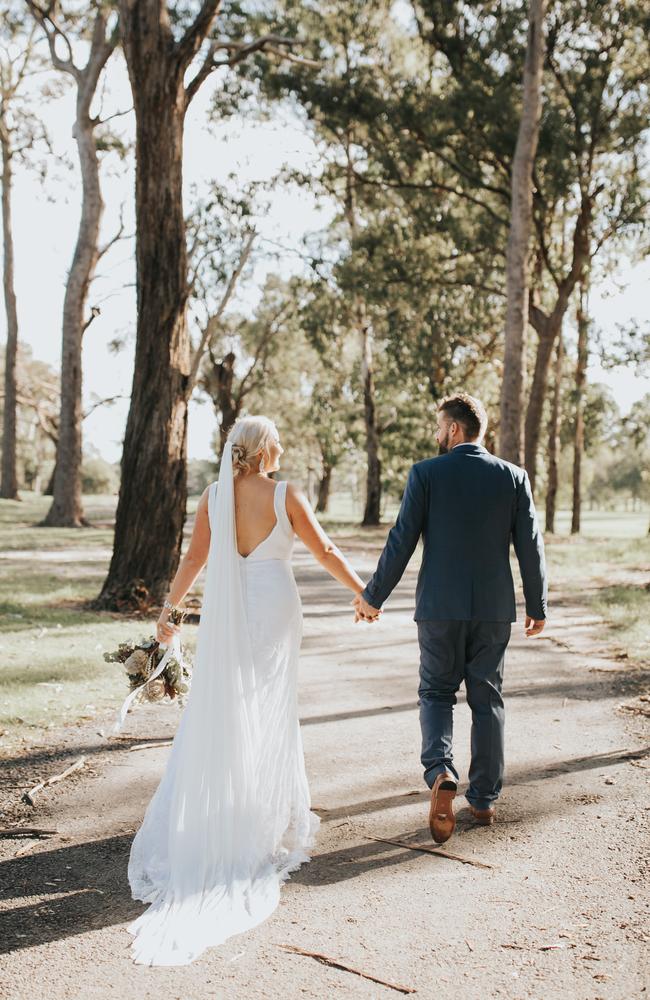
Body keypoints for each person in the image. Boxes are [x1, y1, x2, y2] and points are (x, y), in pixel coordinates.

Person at [126, 415, 366, 966]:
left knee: (228, 708)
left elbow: (194, 559)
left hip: (229, 615)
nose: (282, 447)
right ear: (261, 451)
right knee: (269, 710)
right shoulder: (284, 495)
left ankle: (228, 812)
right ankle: (255, 815)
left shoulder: (214, 496)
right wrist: (366, 592)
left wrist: (170, 613)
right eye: (277, 440)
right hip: (275, 609)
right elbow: (325, 550)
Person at [353, 392, 547, 845]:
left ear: (454, 429)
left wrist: (372, 596)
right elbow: (530, 546)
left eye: (440, 427)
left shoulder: (426, 473)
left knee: (437, 693)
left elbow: (402, 540)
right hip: (493, 611)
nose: (437, 434)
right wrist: (537, 606)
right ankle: (483, 799)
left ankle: (440, 770)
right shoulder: (514, 477)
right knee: (488, 699)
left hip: (439, 609)